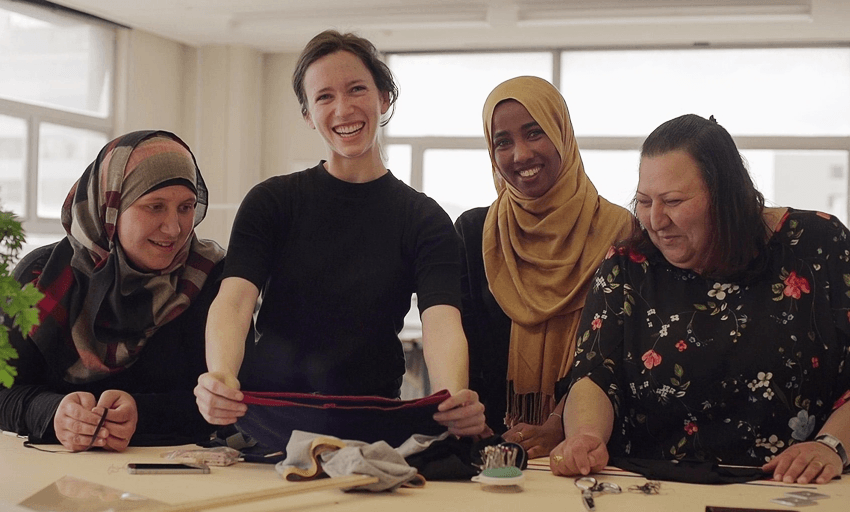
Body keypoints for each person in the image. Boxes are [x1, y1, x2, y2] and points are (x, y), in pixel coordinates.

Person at [193, 30, 485, 440]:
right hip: (270, 421)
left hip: (372, 422)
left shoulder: (424, 218)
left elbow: (441, 322)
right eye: (324, 97)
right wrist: (220, 375)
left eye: (357, 89)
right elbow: (235, 299)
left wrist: (453, 396)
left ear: (384, 98)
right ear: (309, 114)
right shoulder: (272, 201)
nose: (343, 108)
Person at [549, 114, 850, 485]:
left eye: (673, 201)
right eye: (644, 201)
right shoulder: (630, 265)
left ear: (726, 197)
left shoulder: (819, 246)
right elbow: (595, 374)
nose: (656, 220)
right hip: (653, 489)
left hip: (792, 488)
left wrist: (831, 445)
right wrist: (587, 436)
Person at [0, 130, 226, 451]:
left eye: (186, 207)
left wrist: (142, 415)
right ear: (110, 207)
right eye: (155, 207)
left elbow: (234, 401)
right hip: (53, 482)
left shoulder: (211, 278)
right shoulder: (41, 276)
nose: (174, 228)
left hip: (174, 481)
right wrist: (52, 413)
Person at [455, 76, 633, 458]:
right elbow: (461, 339)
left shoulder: (619, 231)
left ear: (561, 133)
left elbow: (620, 350)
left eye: (534, 133)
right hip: (487, 446)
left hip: (586, 446)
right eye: (503, 141)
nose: (520, 154)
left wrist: (564, 422)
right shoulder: (475, 233)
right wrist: (467, 418)